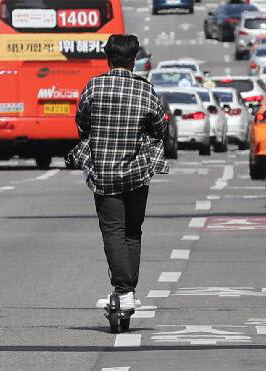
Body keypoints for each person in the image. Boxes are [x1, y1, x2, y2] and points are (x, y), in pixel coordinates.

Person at [67, 34, 168, 310]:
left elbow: (82, 123)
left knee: (113, 231)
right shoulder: (145, 89)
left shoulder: (94, 87)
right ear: (134, 60)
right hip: (137, 173)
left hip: (104, 173)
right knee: (133, 232)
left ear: (108, 58)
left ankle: (123, 289)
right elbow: (160, 127)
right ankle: (128, 292)